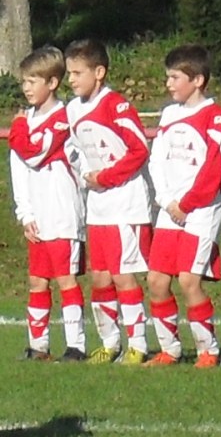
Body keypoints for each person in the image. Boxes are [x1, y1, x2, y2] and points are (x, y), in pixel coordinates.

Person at [143, 44, 221, 368]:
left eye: (175, 77)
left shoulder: (215, 117)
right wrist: (167, 201)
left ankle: (208, 351)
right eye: (167, 77)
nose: (168, 84)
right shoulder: (169, 115)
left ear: (197, 80)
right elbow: (156, 160)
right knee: (156, 280)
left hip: (201, 210)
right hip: (171, 208)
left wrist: (188, 203)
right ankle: (169, 350)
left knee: (188, 281)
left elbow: (214, 167)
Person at [64, 38, 152, 364]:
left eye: (77, 73)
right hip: (98, 207)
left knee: (122, 275)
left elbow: (139, 149)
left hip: (125, 203)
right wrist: (86, 175)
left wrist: (106, 177)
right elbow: (75, 151)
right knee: (100, 276)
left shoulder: (116, 105)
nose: (71, 79)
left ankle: (138, 345)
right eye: (69, 73)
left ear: (99, 72)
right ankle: (110, 343)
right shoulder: (73, 109)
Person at [9, 45, 87, 362]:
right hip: (38, 215)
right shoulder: (25, 120)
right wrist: (25, 213)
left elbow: (34, 151)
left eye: (33, 81)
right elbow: (19, 169)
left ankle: (76, 345)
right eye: (24, 81)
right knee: (37, 280)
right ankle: (38, 346)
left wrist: (17, 129)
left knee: (65, 278)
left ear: (52, 83)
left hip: (63, 213)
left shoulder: (62, 119)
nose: (26, 88)